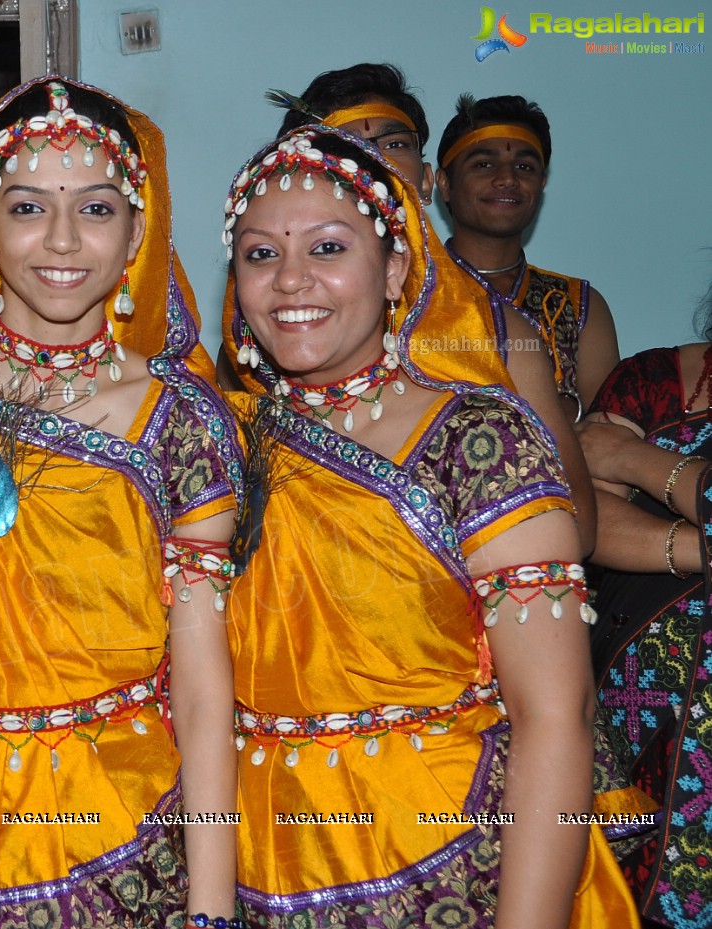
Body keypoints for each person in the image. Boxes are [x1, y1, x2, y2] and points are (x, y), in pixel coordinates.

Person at [221, 125, 650, 925]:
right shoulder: (221, 444)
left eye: (327, 248)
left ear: (393, 270)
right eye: (259, 254)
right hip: (261, 863)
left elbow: (557, 716)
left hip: (452, 870)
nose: (289, 281)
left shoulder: (480, 440)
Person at [0, 77, 243, 927]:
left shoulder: (181, 417)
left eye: (97, 210)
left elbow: (208, 689)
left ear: (136, 231)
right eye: (27, 208)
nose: (62, 240)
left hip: (126, 820)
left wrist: (211, 908)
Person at [225, 64, 598, 554]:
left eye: (391, 144)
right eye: (340, 145)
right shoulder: (258, 336)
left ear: (425, 180)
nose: (368, 160)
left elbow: (577, 527)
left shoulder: (498, 335)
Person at [579, 292, 712, 925]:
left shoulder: (640, 431)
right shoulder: (653, 380)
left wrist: (635, 459)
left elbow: (611, 460)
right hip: (638, 710)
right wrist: (700, 547)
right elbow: (587, 521)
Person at [437, 93, 620, 420]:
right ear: (445, 183)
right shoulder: (405, 292)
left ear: (541, 183)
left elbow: (609, 435)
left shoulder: (577, 306)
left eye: (524, 166)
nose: (507, 179)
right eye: (483, 164)